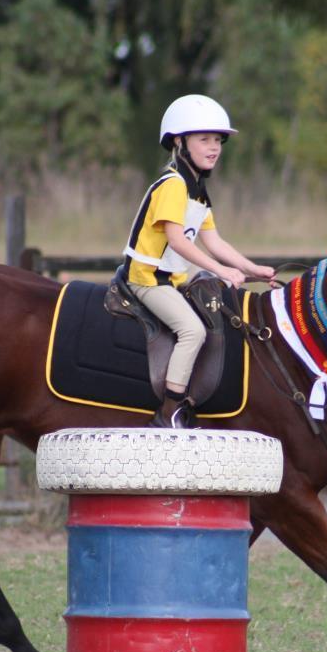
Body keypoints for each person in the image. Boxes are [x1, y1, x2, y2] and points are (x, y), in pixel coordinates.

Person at [123, 94, 275, 428]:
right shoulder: (173, 186)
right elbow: (177, 240)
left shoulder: (198, 192)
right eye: (204, 139)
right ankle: (169, 412)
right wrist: (220, 270)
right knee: (192, 331)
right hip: (148, 279)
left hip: (174, 277)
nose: (214, 147)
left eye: (218, 140)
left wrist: (253, 269)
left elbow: (214, 241)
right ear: (179, 142)